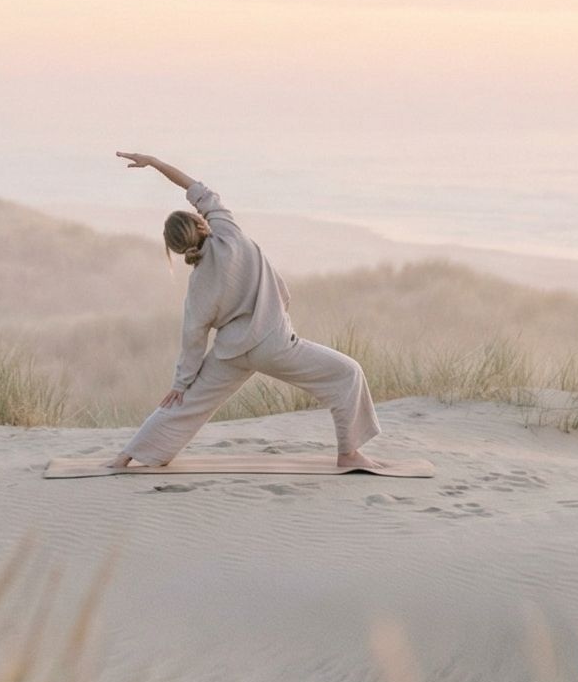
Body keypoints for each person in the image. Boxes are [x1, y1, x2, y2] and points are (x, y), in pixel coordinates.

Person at [107, 152, 383, 472]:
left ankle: (125, 456)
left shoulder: (197, 286)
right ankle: (348, 453)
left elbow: (193, 339)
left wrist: (181, 385)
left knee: (185, 405)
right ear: (200, 222)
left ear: (177, 249)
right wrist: (154, 162)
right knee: (347, 374)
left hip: (232, 353)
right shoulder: (227, 231)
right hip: (275, 344)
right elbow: (196, 188)